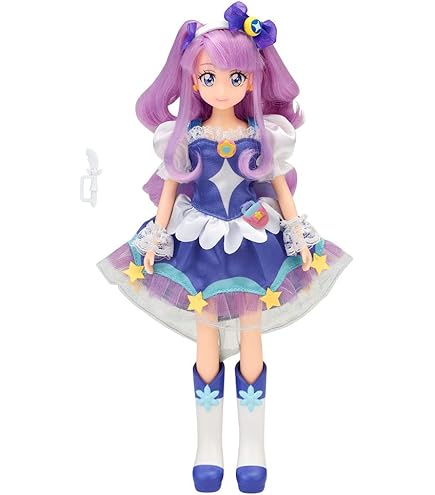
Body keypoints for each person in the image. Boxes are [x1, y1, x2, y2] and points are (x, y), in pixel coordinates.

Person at [97, 2, 352, 492]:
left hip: (253, 240)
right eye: (209, 77)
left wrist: (297, 232)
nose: (221, 88)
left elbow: (279, 189)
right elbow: (170, 190)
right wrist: (156, 237)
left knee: (252, 336)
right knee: (206, 337)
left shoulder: (263, 135)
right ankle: (208, 446)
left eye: (235, 78)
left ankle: (252, 446)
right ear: (193, 81)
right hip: (199, 241)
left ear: (251, 79)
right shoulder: (186, 137)